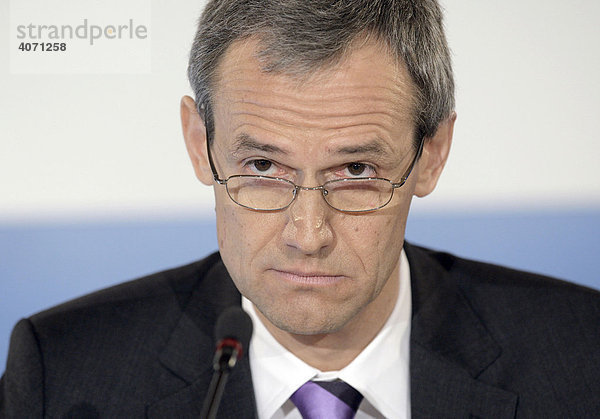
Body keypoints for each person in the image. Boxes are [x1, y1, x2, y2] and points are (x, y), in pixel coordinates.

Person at [2, 0, 599, 417]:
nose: (308, 234)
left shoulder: (580, 360)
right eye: (263, 167)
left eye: (358, 172)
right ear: (198, 142)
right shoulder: (63, 374)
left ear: (432, 154)